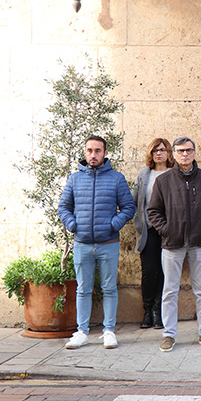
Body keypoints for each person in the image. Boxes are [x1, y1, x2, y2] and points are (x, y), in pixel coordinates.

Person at [146, 136, 201, 352]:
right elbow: (153, 211)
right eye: (180, 151)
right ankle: (169, 334)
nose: (185, 154)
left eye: (189, 150)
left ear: (195, 153)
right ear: (174, 154)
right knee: (170, 291)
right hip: (172, 243)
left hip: (199, 242)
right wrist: (167, 229)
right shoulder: (163, 180)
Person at [58, 135, 135, 350]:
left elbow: (129, 207)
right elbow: (63, 207)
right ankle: (81, 332)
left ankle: (109, 331)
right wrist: (73, 225)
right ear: (85, 152)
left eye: (98, 150)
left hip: (108, 242)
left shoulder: (117, 178)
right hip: (82, 243)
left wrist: (113, 224)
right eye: (90, 150)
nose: (94, 155)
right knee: (83, 289)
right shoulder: (74, 179)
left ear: (105, 153)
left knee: (109, 287)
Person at [131, 138, 175, 330]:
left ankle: (159, 310)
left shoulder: (174, 174)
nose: (158, 153)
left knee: (166, 271)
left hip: (169, 232)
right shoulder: (144, 174)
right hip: (148, 232)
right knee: (149, 272)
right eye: (155, 150)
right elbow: (133, 199)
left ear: (168, 153)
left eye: (162, 150)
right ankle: (147, 309)